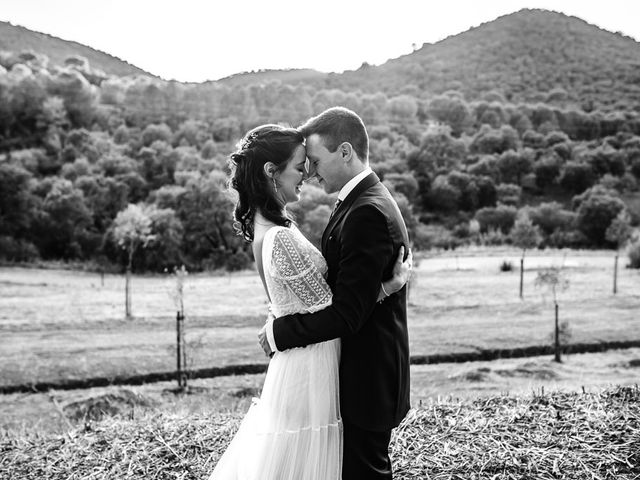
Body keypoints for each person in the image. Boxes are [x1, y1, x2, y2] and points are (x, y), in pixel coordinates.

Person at [209, 123, 411, 480]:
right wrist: (386, 287)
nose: (308, 173)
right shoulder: (282, 236)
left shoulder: (276, 227)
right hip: (311, 368)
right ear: (271, 172)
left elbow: (340, 310)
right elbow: (338, 308)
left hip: (347, 373)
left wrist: (277, 333)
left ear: (345, 152)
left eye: (312, 161)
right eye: (302, 164)